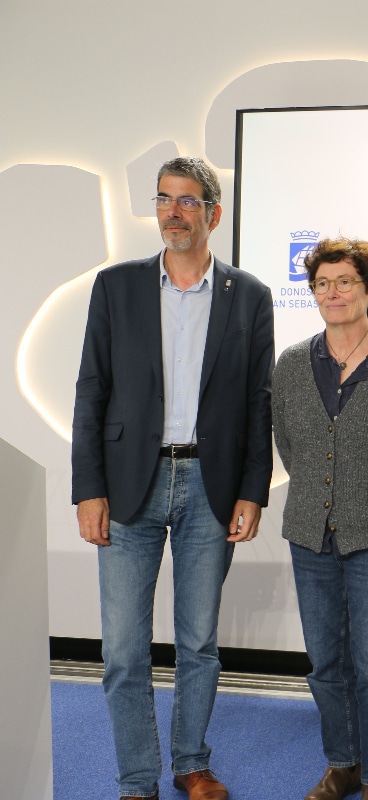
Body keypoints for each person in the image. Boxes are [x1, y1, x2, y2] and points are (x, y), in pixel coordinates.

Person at [71, 157, 274, 800]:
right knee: (123, 650)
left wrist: (252, 490)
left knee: (198, 643)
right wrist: (88, 489)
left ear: (214, 213)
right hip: (128, 484)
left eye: (187, 201)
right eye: (164, 199)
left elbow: (259, 402)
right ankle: (137, 779)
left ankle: (191, 763)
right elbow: (91, 390)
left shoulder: (250, 295)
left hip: (211, 487)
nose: (173, 212)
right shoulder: (116, 286)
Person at [273, 238, 368, 800]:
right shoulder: (292, 363)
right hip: (309, 535)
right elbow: (288, 443)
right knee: (325, 662)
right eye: (322, 283)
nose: (332, 293)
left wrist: (363, 497)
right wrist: (324, 494)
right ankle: (343, 764)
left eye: (344, 282)